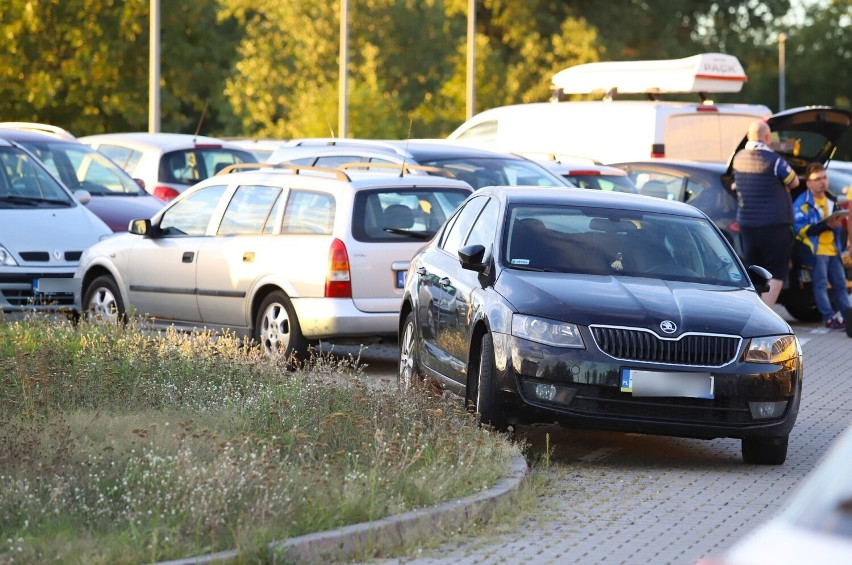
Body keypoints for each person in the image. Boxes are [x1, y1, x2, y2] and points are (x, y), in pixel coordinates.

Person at [732, 120, 799, 307]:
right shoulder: (774, 160)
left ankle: (753, 309)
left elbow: (735, 183)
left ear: (748, 137)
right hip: (774, 225)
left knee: (754, 269)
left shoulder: (738, 159)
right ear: (767, 137)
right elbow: (794, 182)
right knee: (776, 270)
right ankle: (766, 313)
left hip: (747, 225)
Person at [792, 162, 851, 329]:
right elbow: (799, 230)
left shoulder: (832, 199)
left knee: (840, 285)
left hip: (834, 250)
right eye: (817, 179)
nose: (822, 182)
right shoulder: (801, 203)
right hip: (816, 251)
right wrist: (826, 225)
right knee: (821, 285)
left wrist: (837, 225)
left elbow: (838, 225)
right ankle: (828, 318)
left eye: (824, 178)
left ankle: (847, 317)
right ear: (809, 183)